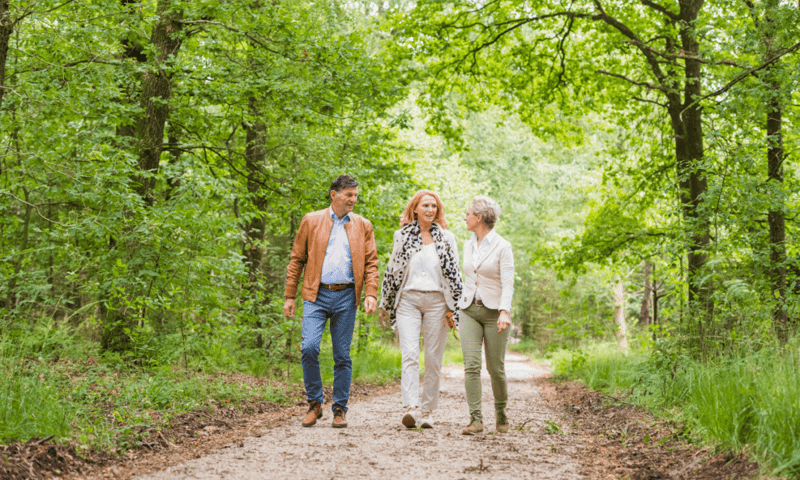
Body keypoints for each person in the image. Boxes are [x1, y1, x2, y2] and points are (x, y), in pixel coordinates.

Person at [283, 175, 379, 429]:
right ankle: (315, 403)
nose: (353, 199)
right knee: (309, 348)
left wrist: (370, 293)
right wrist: (290, 295)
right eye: (349, 195)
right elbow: (296, 259)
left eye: (355, 195)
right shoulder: (311, 220)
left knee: (342, 355)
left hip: (346, 296)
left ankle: (339, 408)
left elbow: (371, 262)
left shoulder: (363, 225)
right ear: (333, 195)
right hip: (316, 295)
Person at [379, 190, 463, 429]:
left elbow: (455, 275)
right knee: (410, 354)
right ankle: (411, 408)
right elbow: (392, 271)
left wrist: (456, 308)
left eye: (434, 206)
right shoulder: (401, 235)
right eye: (425, 205)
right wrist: (385, 303)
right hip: (408, 301)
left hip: (438, 302)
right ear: (415, 208)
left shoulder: (447, 238)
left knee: (433, 358)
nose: (430, 210)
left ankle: (427, 411)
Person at [458, 195, 515, 435]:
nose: (465, 217)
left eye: (468, 213)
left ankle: (501, 412)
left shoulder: (503, 246)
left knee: (495, 368)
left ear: (479, 218)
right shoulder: (467, 245)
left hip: (494, 314)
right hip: (469, 310)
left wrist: (504, 311)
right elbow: (466, 279)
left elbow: (508, 282)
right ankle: (476, 419)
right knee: (471, 366)